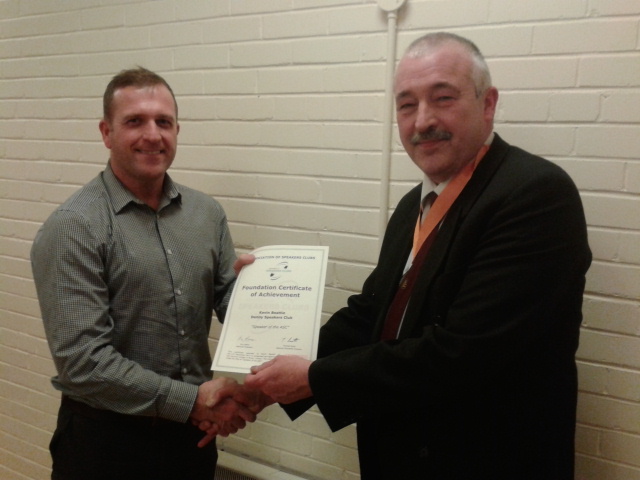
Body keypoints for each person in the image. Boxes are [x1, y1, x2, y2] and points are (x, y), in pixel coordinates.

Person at [243, 32, 592, 479]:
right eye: (406, 105)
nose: (422, 120)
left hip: (488, 461)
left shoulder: (534, 194)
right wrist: (262, 382)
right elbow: (370, 313)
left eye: (442, 98)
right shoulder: (416, 203)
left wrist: (312, 377)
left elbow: (462, 354)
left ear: (488, 103)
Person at [31, 67, 271, 480]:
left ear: (177, 130)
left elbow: (226, 300)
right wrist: (192, 401)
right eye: (134, 121)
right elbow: (84, 363)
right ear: (106, 132)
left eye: (163, 121)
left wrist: (259, 293)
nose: (152, 135)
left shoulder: (206, 213)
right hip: (106, 445)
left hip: (192, 439)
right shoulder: (75, 226)